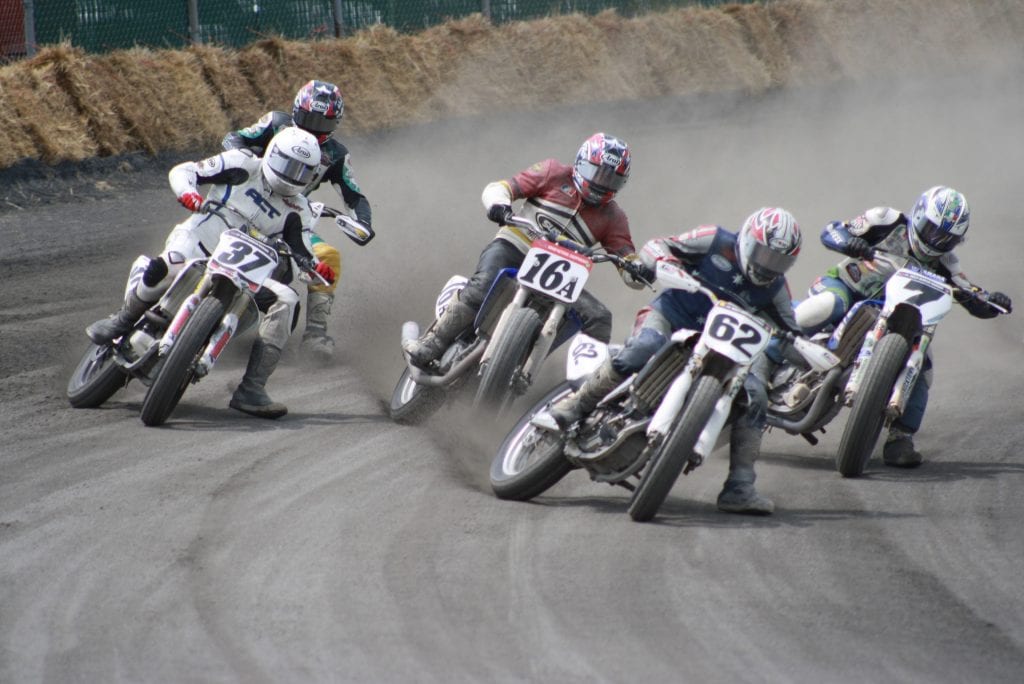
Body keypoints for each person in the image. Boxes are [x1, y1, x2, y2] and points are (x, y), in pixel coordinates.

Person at [545, 208, 805, 515]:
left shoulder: (776, 289)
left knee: (756, 397)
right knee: (647, 345)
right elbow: (656, 245)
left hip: (724, 355)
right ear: (748, 238)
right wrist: (664, 262)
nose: (768, 265)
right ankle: (578, 404)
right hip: (669, 319)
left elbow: (791, 334)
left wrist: (806, 351)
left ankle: (740, 486)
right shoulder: (714, 240)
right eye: (764, 254)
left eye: (778, 261)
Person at [86, 127, 336, 419]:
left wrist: (314, 266)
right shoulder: (243, 163)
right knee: (168, 265)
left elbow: (301, 246)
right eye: (288, 165)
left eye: (302, 171)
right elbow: (186, 170)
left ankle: (252, 388)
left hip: (247, 273)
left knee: (288, 299)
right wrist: (188, 193)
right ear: (272, 154)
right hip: (198, 245)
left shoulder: (300, 209)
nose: (292, 176)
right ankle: (123, 319)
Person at [793, 185, 1012, 467]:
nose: (936, 240)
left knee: (924, 367)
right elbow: (833, 230)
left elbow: (971, 293)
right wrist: (850, 243)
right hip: (847, 288)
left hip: (892, 317)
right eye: (931, 230)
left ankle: (900, 437)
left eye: (946, 238)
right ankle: (772, 344)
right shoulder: (886, 219)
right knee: (829, 305)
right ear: (919, 215)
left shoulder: (947, 264)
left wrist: (991, 302)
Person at [402, 132, 647, 369]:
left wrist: (640, 269)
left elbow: (627, 258)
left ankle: (583, 382)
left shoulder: (614, 217)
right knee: (484, 283)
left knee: (599, 318)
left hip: (563, 277)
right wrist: (499, 205)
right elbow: (501, 188)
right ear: (581, 162)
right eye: (597, 173)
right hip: (514, 248)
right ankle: (433, 343)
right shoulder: (552, 172)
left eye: (611, 179)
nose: (601, 183)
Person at [223, 79, 373, 362]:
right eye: (309, 119)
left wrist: (363, 222)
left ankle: (316, 333)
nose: (314, 128)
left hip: (288, 221)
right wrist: (244, 160)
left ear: (334, 124)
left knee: (328, 256)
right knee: (201, 231)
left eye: (322, 123)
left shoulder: (337, 155)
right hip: (247, 202)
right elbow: (234, 138)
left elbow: (354, 196)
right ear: (296, 111)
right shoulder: (275, 123)